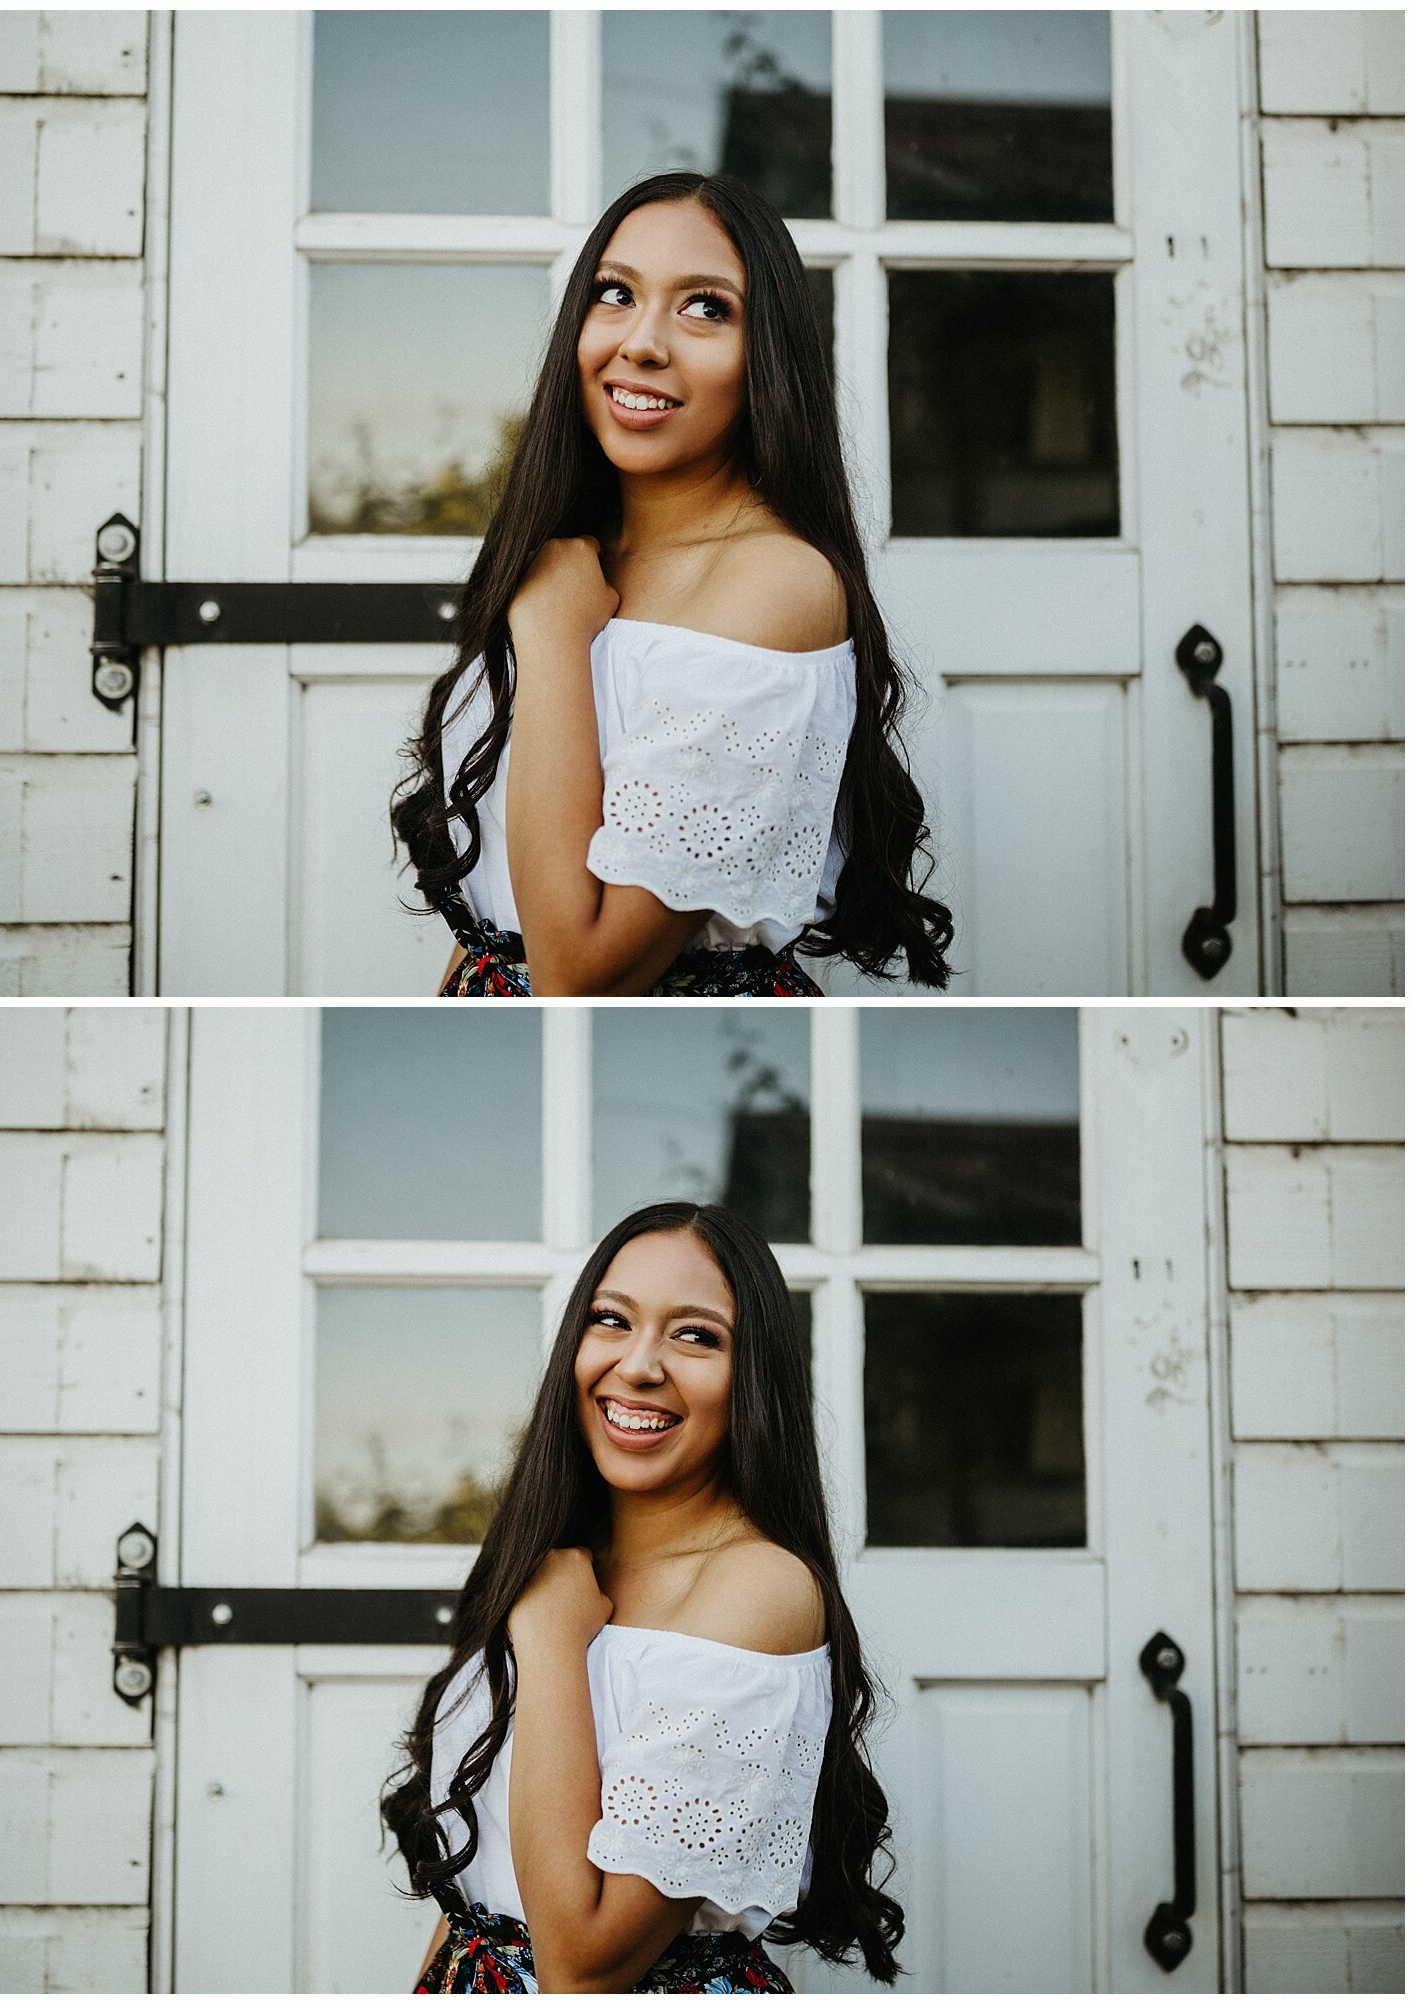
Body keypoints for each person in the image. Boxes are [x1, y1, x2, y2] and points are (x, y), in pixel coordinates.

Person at [390, 171, 953, 997]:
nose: (643, 342)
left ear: (768, 355)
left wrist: (550, 638)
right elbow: (494, 922)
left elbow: (579, 977)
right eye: (614, 293)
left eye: (705, 308)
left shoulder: (774, 583)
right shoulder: (570, 555)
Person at [381, 1201, 906, 1993]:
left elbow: (582, 1968)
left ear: (753, 1377)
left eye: (696, 1335)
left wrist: (555, 1643)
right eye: (611, 1319)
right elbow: (481, 1891)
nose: (638, 1365)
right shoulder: (559, 1560)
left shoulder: (758, 1588)